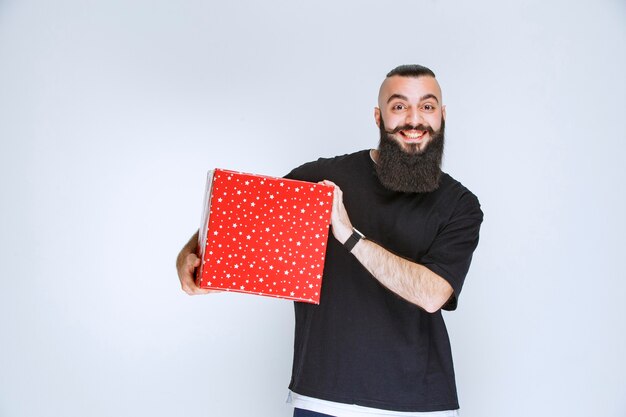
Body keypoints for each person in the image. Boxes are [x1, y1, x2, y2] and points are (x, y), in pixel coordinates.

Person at [176, 64, 483, 417]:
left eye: (427, 107)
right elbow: (241, 218)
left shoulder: (460, 205)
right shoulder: (323, 179)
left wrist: (348, 235)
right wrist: (188, 255)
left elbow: (433, 295)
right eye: (399, 106)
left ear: (442, 116)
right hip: (321, 400)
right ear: (378, 117)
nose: (414, 120)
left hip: (419, 405)